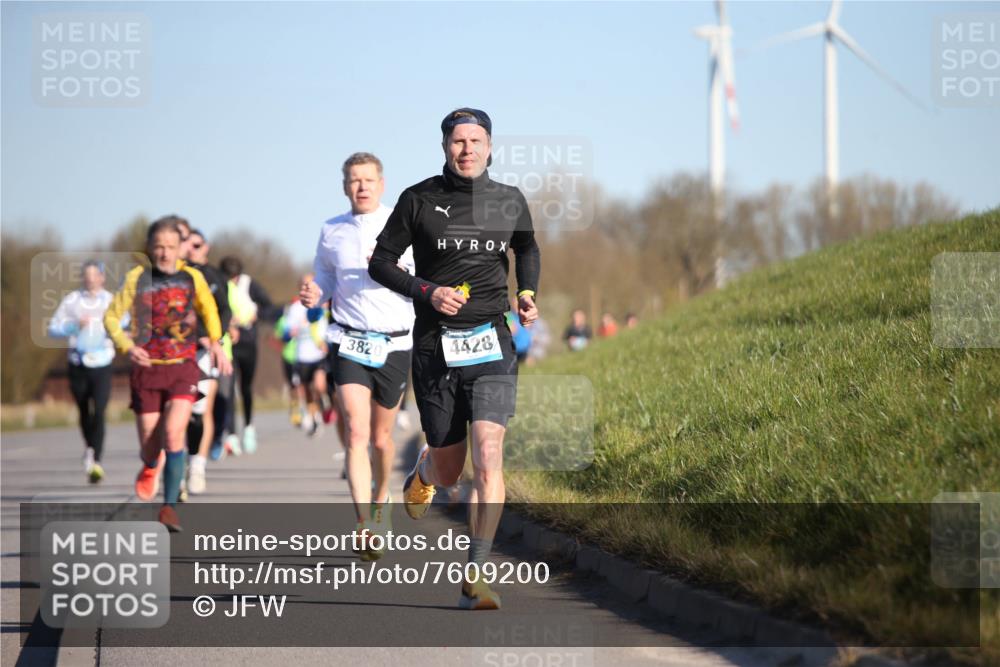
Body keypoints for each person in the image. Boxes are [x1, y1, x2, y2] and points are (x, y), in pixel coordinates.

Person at [368, 108, 540, 609]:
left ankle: (477, 571)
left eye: (476, 140)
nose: (467, 149)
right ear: (445, 147)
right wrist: (427, 291)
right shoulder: (418, 199)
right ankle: (425, 469)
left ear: (490, 146)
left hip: (492, 341)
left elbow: (527, 249)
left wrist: (526, 291)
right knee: (450, 471)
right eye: (458, 141)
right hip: (435, 347)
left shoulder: (509, 200)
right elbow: (380, 262)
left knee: (489, 455)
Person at [300, 151, 415, 561]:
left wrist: (391, 266)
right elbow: (325, 277)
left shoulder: (401, 223)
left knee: (383, 439)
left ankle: (382, 499)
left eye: (368, 179)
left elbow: (421, 280)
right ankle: (365, 524)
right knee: (356, 433)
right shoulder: (332, 230)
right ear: (344, 186)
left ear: (382, 184)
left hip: (396, 341)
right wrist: (317, 292)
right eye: (354, 180)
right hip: (348, 339)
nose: (361, 186)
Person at [104, 216, 231, 532]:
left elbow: (209, 310)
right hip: (147, 369)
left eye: (171, 247)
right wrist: (126, 346)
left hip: (183, 367)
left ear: (180, 249)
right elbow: (111, 316)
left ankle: (169, 507)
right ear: (149, 248)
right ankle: (149, 466)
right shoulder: (136, 278)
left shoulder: (192, 278)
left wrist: (215, 342)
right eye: (158, 247)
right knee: (151, 443)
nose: (164, 253)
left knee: (175, 433)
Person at [48, 260, 119, 483]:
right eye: (86, 275)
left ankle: (95, 459)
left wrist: (114, 327)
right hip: (77, 363)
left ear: (102, 277)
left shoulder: (111, 300)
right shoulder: (72, 301)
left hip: (103, 363)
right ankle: (90, 447)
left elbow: (127, 323)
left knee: (99, 410)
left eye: (94, 274)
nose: (90, 279)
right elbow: (52, 328)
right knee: (83, 410)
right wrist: (73, 326)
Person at [182, 228, 232, 495]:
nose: (192, 250)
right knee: (179, 411)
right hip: (177, 351)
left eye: (197, 245)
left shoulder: (214, 276)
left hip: (206, 352)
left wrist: (215, 338)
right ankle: (176, 465)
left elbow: (225, 309)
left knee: (201, 409)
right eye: (187, 245)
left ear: (206, 247)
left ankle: (198, 465)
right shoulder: (172, 276)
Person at [218, 256, 280, 455]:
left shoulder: (250, 284)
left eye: (235, 278)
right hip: (228, 343)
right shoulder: (219, 284)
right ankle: (231, 435)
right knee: (228, 388)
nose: (232, 282)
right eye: (229, 278)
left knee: (246, 387)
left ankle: (248, 428)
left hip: (248, 342)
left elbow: (271, 307)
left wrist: (257, 316)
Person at [286, 274, 329, 437]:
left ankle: (323, 403)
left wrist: (326, 342)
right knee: (308, 391)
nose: (308, 287)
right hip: (301, 355)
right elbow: (287, 332)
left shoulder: (322, 305)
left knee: (318, 386)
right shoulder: (295, 308)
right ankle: (315, 417)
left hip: (318, 355)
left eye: (311, 284)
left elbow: (327, 326)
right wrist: (291, 332)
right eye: (305, 285)